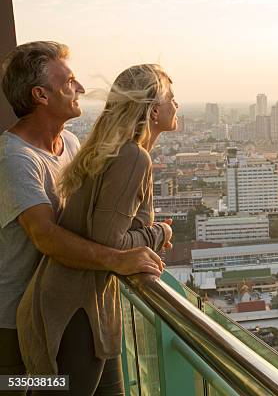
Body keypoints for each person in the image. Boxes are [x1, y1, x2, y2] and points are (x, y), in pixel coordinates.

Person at [0, 42, 168, 392]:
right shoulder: (15, 159)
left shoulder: (72, 145)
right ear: (40, 95)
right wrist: (118, 258)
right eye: (69, 82)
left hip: (71, 308)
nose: (79, 89)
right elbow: (45, 235)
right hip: (14, 323)